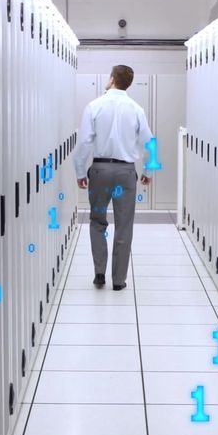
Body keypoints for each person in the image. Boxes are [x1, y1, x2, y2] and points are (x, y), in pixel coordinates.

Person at [72, 65, 154, 290]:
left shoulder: (94, 106)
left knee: (97, 222)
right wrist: (148, 171)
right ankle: (118, 281)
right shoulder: (137, 109)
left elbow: (85, 142)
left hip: (99, 171)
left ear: (111, 79)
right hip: (126, 173)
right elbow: (149, 143)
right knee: (124, 226)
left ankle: (99, 273)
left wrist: (80, 171)